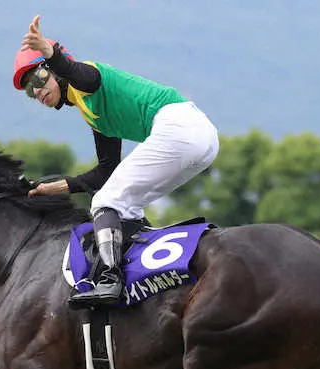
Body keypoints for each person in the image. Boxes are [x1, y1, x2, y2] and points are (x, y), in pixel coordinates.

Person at [14, 15, 220, 309]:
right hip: (200, 137)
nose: (36, 92)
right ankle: (150, 274)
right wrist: (51, 188)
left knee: (106, 202)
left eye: (37, 79)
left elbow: (78, 72)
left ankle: (110, 279)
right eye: (28, 91)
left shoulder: (86, 79)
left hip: (180, 128)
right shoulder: (92, 113)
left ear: (54, 71)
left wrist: (48, 52)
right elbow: (106, 170)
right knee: (122, 203)